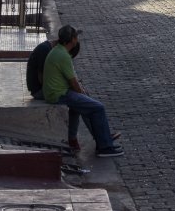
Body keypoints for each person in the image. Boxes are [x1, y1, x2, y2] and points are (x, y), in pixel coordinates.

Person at [43, 25, 124, 157]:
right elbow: (73, 82)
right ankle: (105, 147)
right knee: (98, 107)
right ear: (73, 40)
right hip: (58, 94)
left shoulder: (58, 51)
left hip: (56, 92)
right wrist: (82, 94)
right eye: (76, 37)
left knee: (81, 107)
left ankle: (99, 139)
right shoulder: (63, 56)